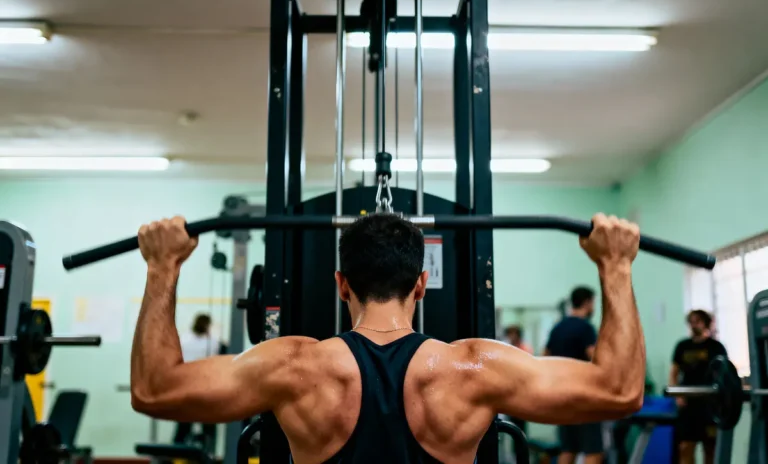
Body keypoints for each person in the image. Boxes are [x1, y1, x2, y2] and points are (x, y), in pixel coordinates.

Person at [130, 213, 645, 464]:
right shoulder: (474, 367)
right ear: (421, 284)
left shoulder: (294, 366)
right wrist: (616, 266)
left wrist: (163, 266)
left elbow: (155, 391)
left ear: (341, 284)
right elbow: (620, 391)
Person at [543, 286, 602, 464]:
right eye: (593, 303)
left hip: (562, 396)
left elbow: (544, 357)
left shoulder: (558, 328)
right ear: (587, 302)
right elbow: (595, 357)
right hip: (583, 396)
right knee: (594, 452)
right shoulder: (586, 328)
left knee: (569, 449)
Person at [669, 310, 727, 464]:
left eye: (698, 321)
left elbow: (725, 375)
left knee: (711, 449)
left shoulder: (716, 347)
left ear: (706, 323)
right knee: (685, 447)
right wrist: (678, 396)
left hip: (709, 405)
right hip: (688, 405)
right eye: (692, 321)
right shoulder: (682, 346)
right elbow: (674, 373)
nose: (694, 324)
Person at [172, 314, 222, 451]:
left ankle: (177, 454)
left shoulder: (183, 340)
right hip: (206, 387)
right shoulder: (213, 342)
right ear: (207, 325)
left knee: (183, 425)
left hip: (185, 386)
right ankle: (209, 453)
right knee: (209, 425)